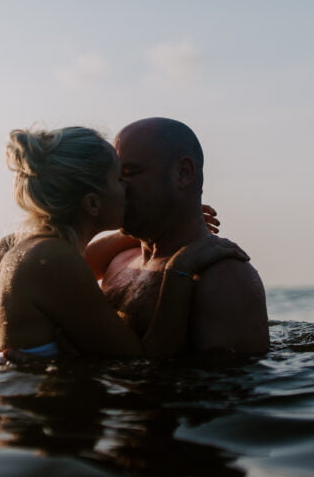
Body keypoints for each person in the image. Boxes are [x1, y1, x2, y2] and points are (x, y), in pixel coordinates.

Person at [0, 125, 248, 359]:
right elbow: (144, 361)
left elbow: (82, 265)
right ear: (93, 203)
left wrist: (163, 222)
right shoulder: (54, 260)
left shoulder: (12, 249)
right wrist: (180, 268)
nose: (128, 188)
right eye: (119, 178)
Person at [90, 118, 269, 355]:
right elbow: (60, 266)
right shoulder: (117, 260)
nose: (116, 188)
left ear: (183, 174)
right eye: (115, 177)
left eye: (130, 173)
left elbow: (228, 387)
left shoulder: (225, 279)